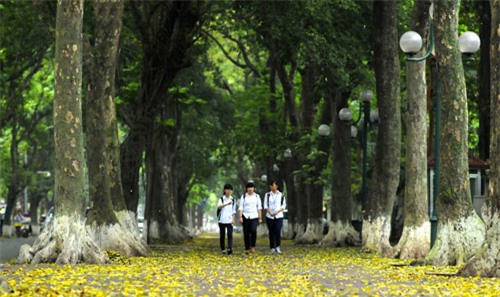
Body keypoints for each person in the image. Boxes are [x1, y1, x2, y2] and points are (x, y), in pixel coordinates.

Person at [263, 180, 286, 254]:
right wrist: (270, 212)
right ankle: (272, 247)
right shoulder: (267, 195)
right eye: (271, 185)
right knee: (271, 232)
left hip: (279, 216)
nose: (272, 187)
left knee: (277, 230)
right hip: (269, 216)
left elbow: (283, 206)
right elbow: (265, 205)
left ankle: (278, 246)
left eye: (273, 185)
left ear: (276, 186)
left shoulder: (281, 195)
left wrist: (277, 212)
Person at [238, 181, 262, 254]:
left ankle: (253, 246)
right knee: (246, 233)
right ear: (246, 189)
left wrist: (260, 218)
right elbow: (241, 207)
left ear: (254, 188)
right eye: (248, 188)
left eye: (251, 187)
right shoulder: (244, 196)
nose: (250, 189)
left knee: (253, 230)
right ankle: (247, 248)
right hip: (245, 216)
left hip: (254, 216)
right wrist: (240, 217)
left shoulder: (257, 196)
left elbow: (259, 208)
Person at [217, 184, 236, 255]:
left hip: (229, 220)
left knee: (230, 235)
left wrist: (233, 219)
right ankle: (223, 248)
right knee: (222, 235)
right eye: (227, 189)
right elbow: (219, 207)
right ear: (225, 190)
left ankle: (230, 248)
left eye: (230, 190)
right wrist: (227, 204)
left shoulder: (233, 200)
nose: (229, 191)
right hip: (221, 220)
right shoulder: (221, 199)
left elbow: (233, 211)